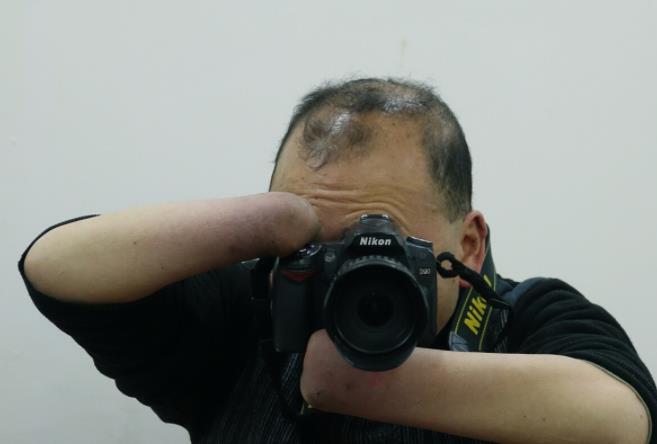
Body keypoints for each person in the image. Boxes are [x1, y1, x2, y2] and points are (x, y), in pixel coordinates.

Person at [19, 78, 656, 443]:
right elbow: (56, 269)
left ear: (469, 244)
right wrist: (274, 222)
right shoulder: (251, 313)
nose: (346, 268)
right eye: (316, 241)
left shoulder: (525, 317)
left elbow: (623, 419)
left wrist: (350, 382)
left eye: (380, 237)